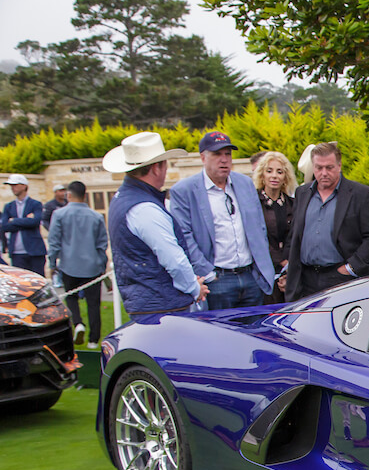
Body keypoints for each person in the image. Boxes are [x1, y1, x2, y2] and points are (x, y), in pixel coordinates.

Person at [101, 131, 208, 318]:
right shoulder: (144, 208)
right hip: (161, 307)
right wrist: (194, 288)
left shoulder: (125, 197)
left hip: (149, 302)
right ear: (157, 167)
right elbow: (173, 259)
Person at [169, 131, 276, 310]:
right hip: (217, 279)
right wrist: (208, 274)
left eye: (228, 154)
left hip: (250, 276)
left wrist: (260, 268)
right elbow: (184, 236)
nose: (224, 160)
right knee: (221, 335)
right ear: (203, 157)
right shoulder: (184, 191)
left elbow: (259, 227)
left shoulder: (245, 183)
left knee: (253, 335)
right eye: (217, 154)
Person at [285, 142, 369, 301]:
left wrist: (351, 268)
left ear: (339, 165)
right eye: (318, 168)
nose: (323, 173)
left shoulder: (361, 194)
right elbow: (295, 234)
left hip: (341, 277)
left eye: (329, 168)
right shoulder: (302, 193)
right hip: (306, 279)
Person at [47, 181, 108, 347]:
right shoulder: (96, 216)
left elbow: (54, 242)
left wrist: (52, 264)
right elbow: (102, 245)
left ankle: (78, 323)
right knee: (93, 303)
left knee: (71, 297)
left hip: (69, 264)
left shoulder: (59, 214)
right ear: (85, 195)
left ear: (68, 195)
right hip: (92, 266)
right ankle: (94, 340)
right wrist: (102, 266)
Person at [252, 150, 296, 303]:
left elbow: (295, 236)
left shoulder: (293, 204)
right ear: (262, 175)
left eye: (279, 172)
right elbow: (257, 237)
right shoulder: (253, 203)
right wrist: (282, 262)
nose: (274, 176)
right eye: (269, 171)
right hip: (263, 271)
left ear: (286, 177)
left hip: (289, 270)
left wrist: (288, 267)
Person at [2, 174, 47, 275]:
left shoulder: (36, 204)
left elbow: (35, 222)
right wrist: (25, 220)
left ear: (24, 186)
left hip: (35, 251)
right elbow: (5, 226)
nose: (12, 188)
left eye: (15, 185)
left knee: (38, 281)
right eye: (11, 185)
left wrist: (14, 220)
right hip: (16, 254)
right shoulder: (8, 206)